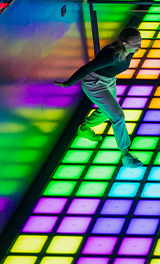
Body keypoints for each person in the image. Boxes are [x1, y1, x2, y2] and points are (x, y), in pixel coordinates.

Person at [55, 27, 144, 169]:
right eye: (136, 44)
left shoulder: (129, 50)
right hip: (95, 83)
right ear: (124, 44)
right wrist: (68, 83)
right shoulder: (111, 55)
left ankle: (84, 129)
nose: (139, 46)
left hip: (109, 81)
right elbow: (87, 69)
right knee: (118, 116)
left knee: (105, 111)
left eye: (140, 42)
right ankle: (126, 156)